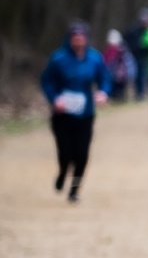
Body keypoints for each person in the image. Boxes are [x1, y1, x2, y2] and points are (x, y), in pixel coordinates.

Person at [39, 22, 112, 202]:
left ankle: (74, 190)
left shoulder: (94, 58)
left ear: (86, 39)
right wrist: (55, 98)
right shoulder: (58, 59)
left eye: (81, 39)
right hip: (62, 115)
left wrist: (103, 92)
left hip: (85, 114)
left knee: (82, 154)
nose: (78, 42)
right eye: (75, 39)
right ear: (69, 39)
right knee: (65, 153)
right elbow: (47, 81)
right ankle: (63, 172)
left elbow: (105, 78)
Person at [125, 8, 148, 101]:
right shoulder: (134, 30)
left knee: (143, 75)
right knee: (137, 75)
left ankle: (141, 93)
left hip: (144, 56)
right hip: (135, 55)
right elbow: (128, 40)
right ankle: (138, 93)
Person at [103, 29, 130, 102]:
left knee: (120, 87)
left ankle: (119, 98)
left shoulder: (122, 50)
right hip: (113, 73)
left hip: (120, 73)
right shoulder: (110, 50)